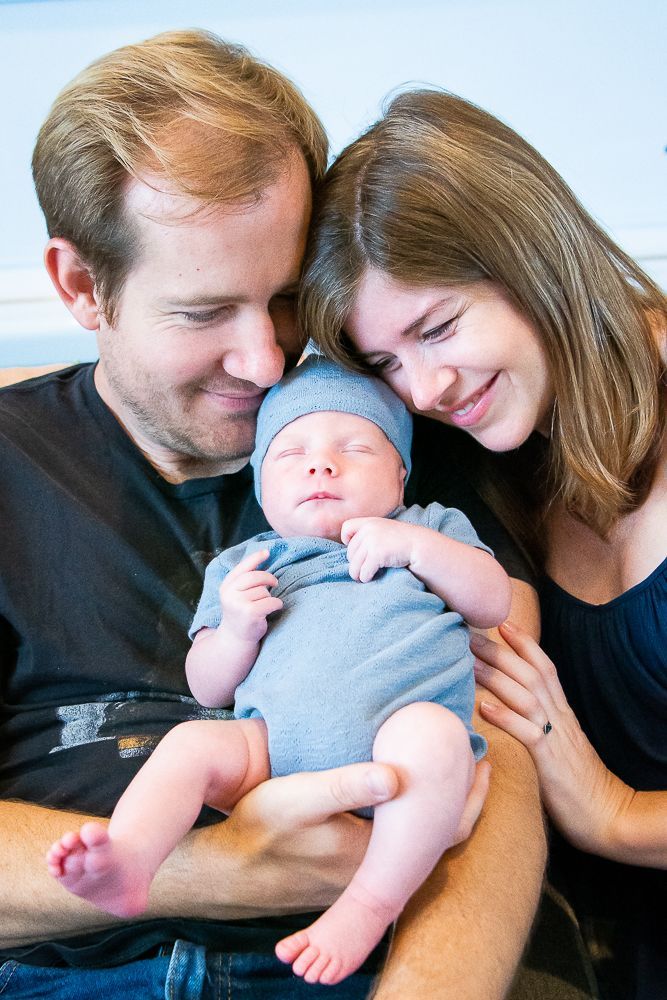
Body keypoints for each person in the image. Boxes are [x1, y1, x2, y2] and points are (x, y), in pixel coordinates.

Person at [299, 86, 667, 1000]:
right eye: (384, 361)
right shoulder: (471, 462)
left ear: (533, 259)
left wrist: (618, 817)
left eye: (438, 328)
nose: (422, 387)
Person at [46, 354, 512, 986]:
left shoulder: (429, 526)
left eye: (355, 447)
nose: (322, 463)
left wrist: (416, 549)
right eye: (291, 454)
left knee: (435, 735)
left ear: (401, 476)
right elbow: (207, 686)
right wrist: (236, 628)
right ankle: (131, 861)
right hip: (269, 750)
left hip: (398, 747)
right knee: (191, 744)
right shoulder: (246, 564)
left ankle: (371, 902)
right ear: (262, 487)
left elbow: (492, 601)